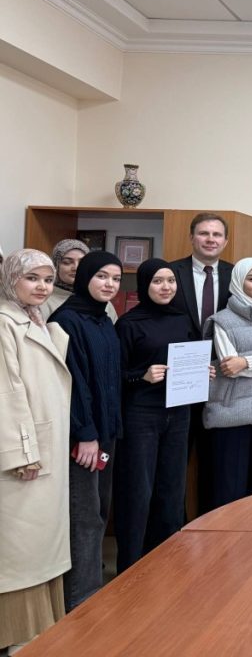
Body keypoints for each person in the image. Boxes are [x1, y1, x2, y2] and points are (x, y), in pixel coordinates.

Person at [0, 250, 72, 653]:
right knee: (22, 549)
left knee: (41, 547)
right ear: (11, 279)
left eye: (47, 279)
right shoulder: (4, 322)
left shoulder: (37, 319)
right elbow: (6, 393)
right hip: (25, 454)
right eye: (32, 278)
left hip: (46, 449)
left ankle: (43, 629)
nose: (42, 287)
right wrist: (22, 452)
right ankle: (18, 635)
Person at [47, 251, 123, 611]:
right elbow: (73, 382)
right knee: (84, 516)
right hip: (83, 438)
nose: (110, 284)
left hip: (105, 433)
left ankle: (90, 588)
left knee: (99, 511)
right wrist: (86, 434)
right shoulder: (66, 320)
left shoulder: (103, 319)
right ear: (85, 278)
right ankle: (81, 600)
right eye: (102, 276)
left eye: (116, 278)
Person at [113, 259, 197, 573]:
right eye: (158, 281)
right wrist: (142, 376)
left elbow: (189, 357)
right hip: (141, 415)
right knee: (138, 490)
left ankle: (166, 562)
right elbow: (117, 375)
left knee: (172, 490)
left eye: (171, 281)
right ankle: (131, 567)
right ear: (144, 285)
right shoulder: (129, 324)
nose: (166, 287)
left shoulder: (182, 319)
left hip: (179, 413)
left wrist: (202, 371)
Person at [201, 258, 252, 509]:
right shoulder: (222, 320)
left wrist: (246, 362)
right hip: (232, 412)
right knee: (229, 487)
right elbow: (229, 367)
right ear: (238, 281)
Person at [169, 213, 233, 515]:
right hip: (178, 380)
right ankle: (175, 525)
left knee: (217, 461)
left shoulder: (236, 275)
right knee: (175, 460)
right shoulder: (171, 273)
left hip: (222, 379)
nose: (210, 239)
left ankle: (212, 522)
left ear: (225, 241)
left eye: (217, 234)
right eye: (204, 233)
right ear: (192, 237)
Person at [40, 238, 117, 322]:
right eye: (67, 262)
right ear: (56, 266)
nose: (76, 268)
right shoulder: (42, 300)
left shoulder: (102, 301)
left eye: (82, 262)